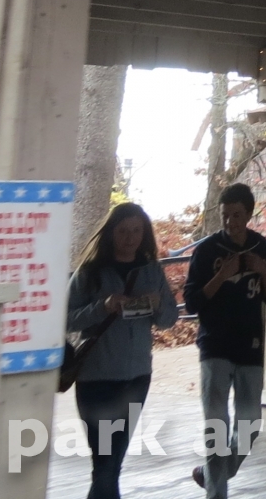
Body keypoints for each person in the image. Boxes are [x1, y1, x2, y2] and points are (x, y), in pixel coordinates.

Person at [64, 202, 179, 499]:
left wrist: (158, 304)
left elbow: (169, 320)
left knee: (112, 462)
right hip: (96, 378)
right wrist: (101, 307)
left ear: (144, 234)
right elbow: (65, 318)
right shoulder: (90, 272)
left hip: (136, 377)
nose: (130, 238)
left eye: (136, 231)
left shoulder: (151, 271)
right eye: (123, 231)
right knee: (105, 462)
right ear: (111, 233)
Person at [184, 183, 266, 497]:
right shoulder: (206, 250)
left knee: (249, 425)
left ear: (249, 215)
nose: (230, 222)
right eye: (225, 215)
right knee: (217, 425)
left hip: (250, 347)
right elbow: (192, 302)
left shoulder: (262, 247)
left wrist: (263, 271)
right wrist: (221, 276)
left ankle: (213, 473)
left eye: (237, 215)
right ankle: (217, 492)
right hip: (214, 345)